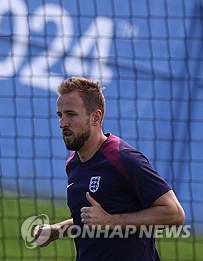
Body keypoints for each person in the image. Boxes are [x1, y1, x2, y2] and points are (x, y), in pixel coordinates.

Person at [33, 76, 185, 260]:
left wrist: (110, 221)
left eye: (71, 114)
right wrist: (57, 230)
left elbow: (174, 213)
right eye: (60, 114)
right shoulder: (73, 162)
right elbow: (91, 221)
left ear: (95, 117)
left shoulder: (124, 158)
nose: (62, 123)